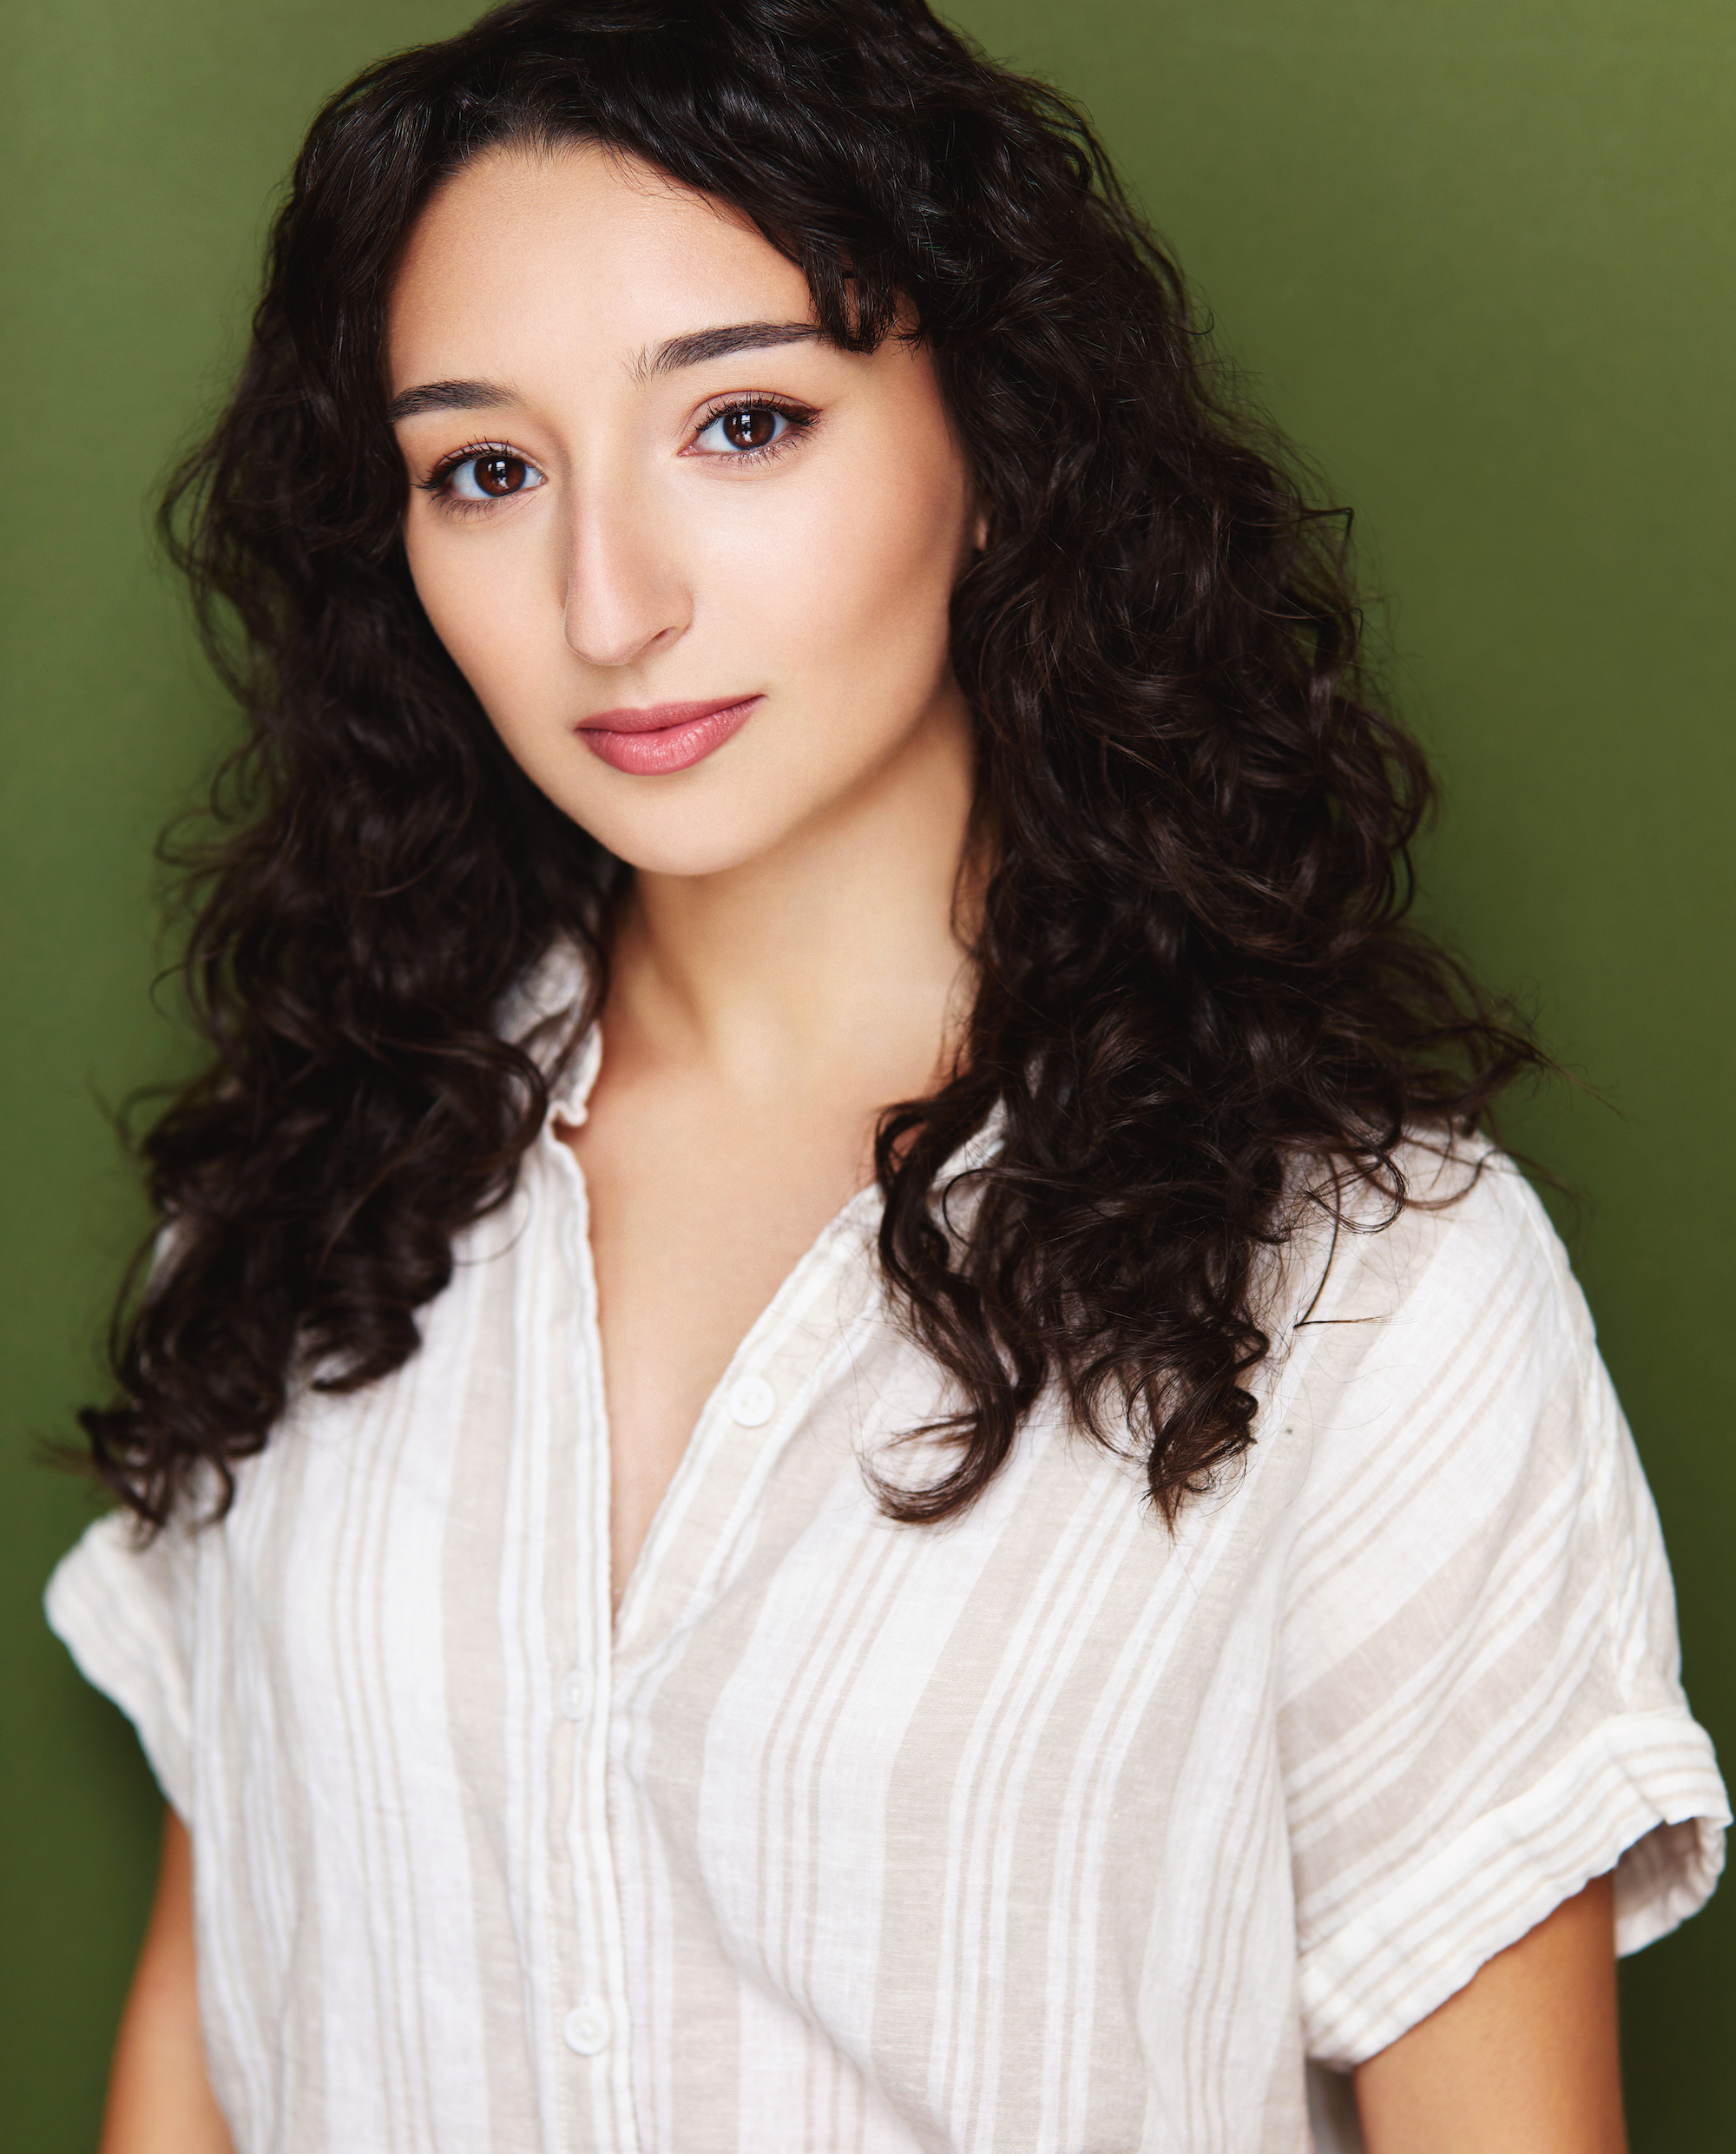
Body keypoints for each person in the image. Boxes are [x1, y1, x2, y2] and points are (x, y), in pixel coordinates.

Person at [44, 2, 1726, 2148]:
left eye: (741, 422)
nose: (608, 598)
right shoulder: (321, 1188)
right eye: (486, 467)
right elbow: (210, 2033)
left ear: (997, 446)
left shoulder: (1368, 1288)